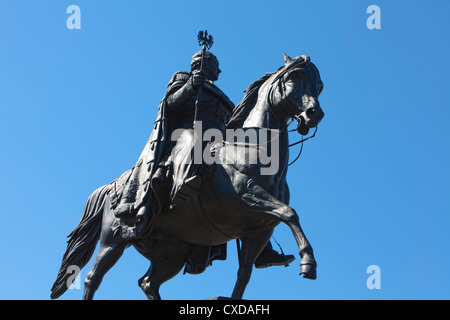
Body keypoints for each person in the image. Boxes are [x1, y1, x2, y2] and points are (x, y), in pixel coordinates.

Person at [109, 48, 293, 268]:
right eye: (216, 65)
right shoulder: (183, 78)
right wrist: (190, 86)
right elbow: (168, 105)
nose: (219, 70)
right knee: (193, 138)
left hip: (217, 142)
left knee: (245, 182)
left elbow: (231, 126)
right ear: (202, 63)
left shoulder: (224, 98)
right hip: (186, 135)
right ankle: (179, 185)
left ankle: (263, 248)